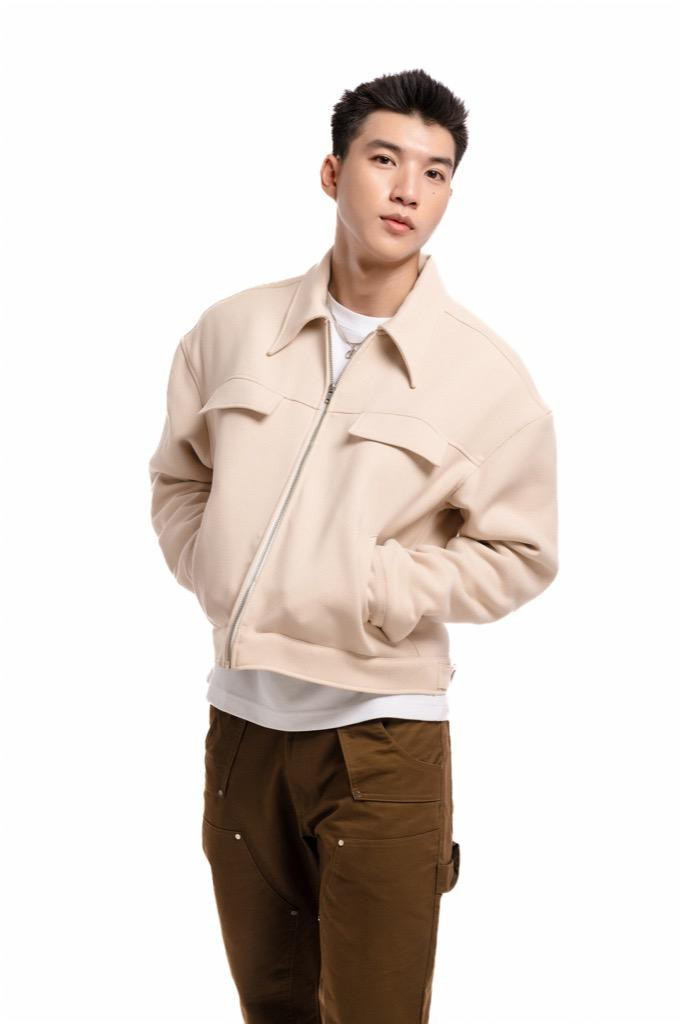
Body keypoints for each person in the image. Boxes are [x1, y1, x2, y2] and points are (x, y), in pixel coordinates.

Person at [148, 67, 559, 1024]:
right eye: (385, 160)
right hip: (242, 732)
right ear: (333, 174)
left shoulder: (484, 377)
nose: (409, 189)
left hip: (381, 742)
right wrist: (218, 566)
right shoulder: (232, 331)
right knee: (273, 1007)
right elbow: (179, 480)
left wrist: (378, 585)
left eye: (436, 172)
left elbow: (523, 553)